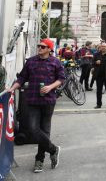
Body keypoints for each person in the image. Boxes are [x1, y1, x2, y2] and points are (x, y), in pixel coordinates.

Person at [7, 38, 64, 173]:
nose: (40, 48)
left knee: (44, 131)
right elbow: (22, 78)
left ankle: (39, 160)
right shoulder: (31, 61)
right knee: (33, 129)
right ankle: (53, 149)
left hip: (48, 101)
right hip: (32, 100)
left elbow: (61, 79)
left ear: (49, 49)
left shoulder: (55, 62)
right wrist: (12, 88)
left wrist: (50, 87)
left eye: (43, 47)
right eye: (39, 46)